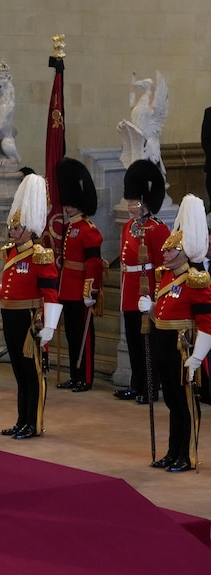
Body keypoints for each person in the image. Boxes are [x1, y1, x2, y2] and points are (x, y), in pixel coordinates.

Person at [0, 175, 61, 439]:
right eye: (12, 228)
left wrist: (49, 325)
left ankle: (33, 423)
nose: (11, 232)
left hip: (29, 320)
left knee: (32, 374)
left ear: (28, 229)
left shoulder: (39, 254)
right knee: (18, 372)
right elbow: (13, 288)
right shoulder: (12, 253)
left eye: (16, 228)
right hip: (11, 316)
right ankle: (21, 419)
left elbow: (50, 293)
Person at [141, 194, 209, 472]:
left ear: (182, 252)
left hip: (185, 348)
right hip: (165, 342)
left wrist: (196, 359)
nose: (165, 254)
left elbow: (207, 323)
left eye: (170, 251)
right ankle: (172, 451)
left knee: (185, 403)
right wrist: (152, 307)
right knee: (171, 400)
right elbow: (167, 310)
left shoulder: (196, 280)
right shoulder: (167, 276)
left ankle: (187, 454)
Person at [115, 160, 168, 404]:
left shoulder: (158, 230)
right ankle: (136, 384)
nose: (129, 206)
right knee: (134, 342)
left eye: (133, 202)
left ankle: (149, 387)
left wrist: (155, 297)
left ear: (145, 203)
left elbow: (162, 267)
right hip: (130, 290)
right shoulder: (128, 227)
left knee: (149, 342)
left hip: (146, 292)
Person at [55, 158, 103, 393]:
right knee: (73, 336)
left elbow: (94, 263)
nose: (67, 207)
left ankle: (85, 377)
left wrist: (90, 291)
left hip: (80, 289)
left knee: (85, 337)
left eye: (71, 204)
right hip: (67, 288)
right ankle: (74, 374)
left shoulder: (88, 230)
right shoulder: (70, 227)